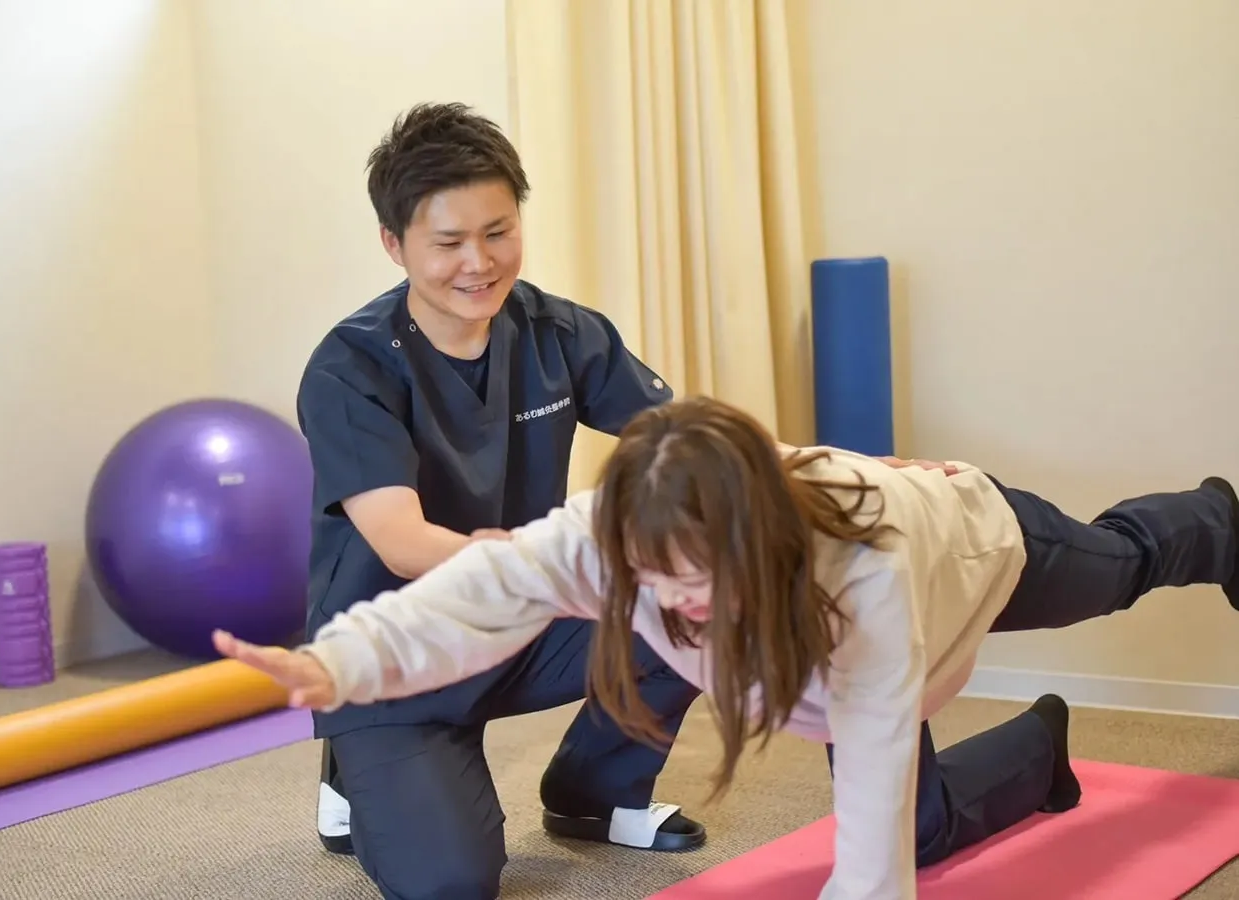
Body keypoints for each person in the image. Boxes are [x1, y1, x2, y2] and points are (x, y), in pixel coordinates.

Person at [218, 394, 1238, 900]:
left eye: (701, 579)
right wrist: (340, 663)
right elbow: (474, 593)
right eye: (654, 577)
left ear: (758, 543)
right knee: (931, 830)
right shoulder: (613, 537)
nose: (677, 603)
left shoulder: (863, 585)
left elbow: (869, 831)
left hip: (975, 546)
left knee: (1119, 565)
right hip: (827, 633)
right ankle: (1041, 753)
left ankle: (1215, 518)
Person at [294, 101, 709, 900]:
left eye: (498, 232)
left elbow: (696, 444)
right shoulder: (351, 368)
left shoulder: (559, 332)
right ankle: (358, 755)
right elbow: (402, 542)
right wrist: (542, 560)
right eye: (448, 242)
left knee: (702, 597)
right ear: (394, 244)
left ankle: (594, 793)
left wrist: (842, 469)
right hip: (398, 651)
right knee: (451, 883)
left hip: (518, 618)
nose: (479, 263)